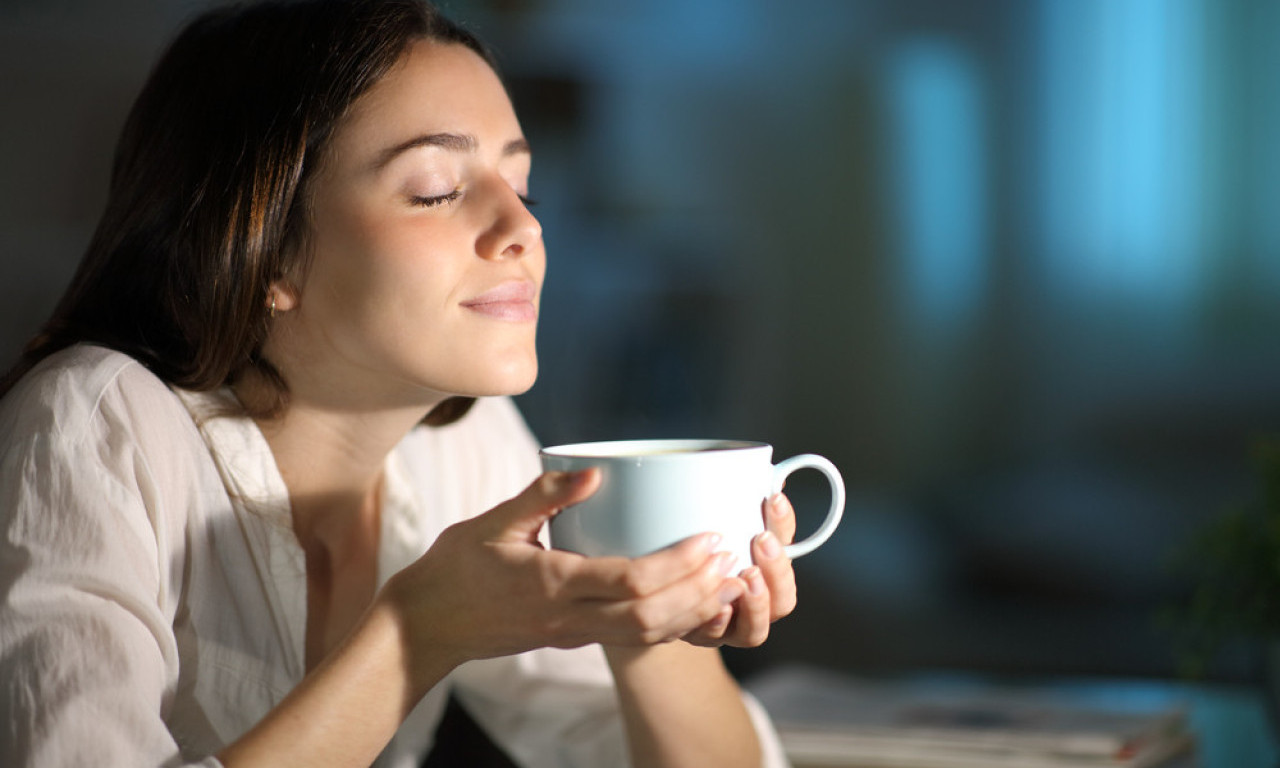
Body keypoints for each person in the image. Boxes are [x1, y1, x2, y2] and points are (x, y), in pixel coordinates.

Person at [0, 1, 799, 766]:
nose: (525, 229)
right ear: (268, 253)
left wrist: (648, 614)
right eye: (436, 191)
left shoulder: (465, 441)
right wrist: (417, 634)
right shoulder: (91, 424)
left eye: (523, 188)